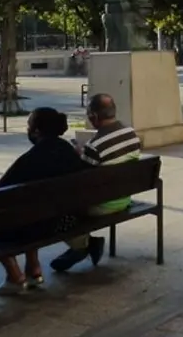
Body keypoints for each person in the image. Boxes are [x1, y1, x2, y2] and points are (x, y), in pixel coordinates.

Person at [0, 107, 85, 295]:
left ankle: (15, 277)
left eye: (29, 125)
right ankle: (34, 270)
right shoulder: (68, 150)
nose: (28, 129)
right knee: (33, 212)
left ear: (36, 130)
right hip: (67, 220)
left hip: (42, 225)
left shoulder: (30, 159)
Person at [50, 93, 142, 272]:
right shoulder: (131, 133)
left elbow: (82, 177)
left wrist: (79, 153)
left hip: (102, 205)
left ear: (95, 116)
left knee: (56, 210)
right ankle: (87, 243)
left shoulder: (95, 146)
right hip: (123, 198)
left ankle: (81, 246)